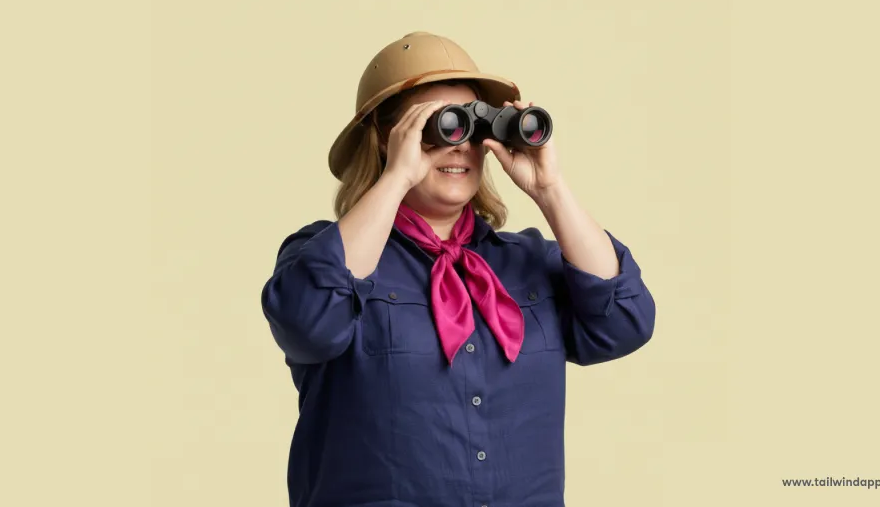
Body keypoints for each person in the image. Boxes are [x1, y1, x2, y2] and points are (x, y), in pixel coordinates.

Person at [261, 31, 656, 507]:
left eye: (475, 127)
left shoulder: (529, 261)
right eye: (441, 125)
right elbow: (309, 324)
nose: (459, 145)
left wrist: (549, 188)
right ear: (388, 140)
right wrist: (397, 177)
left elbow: (624, 321)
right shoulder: (325, 254)